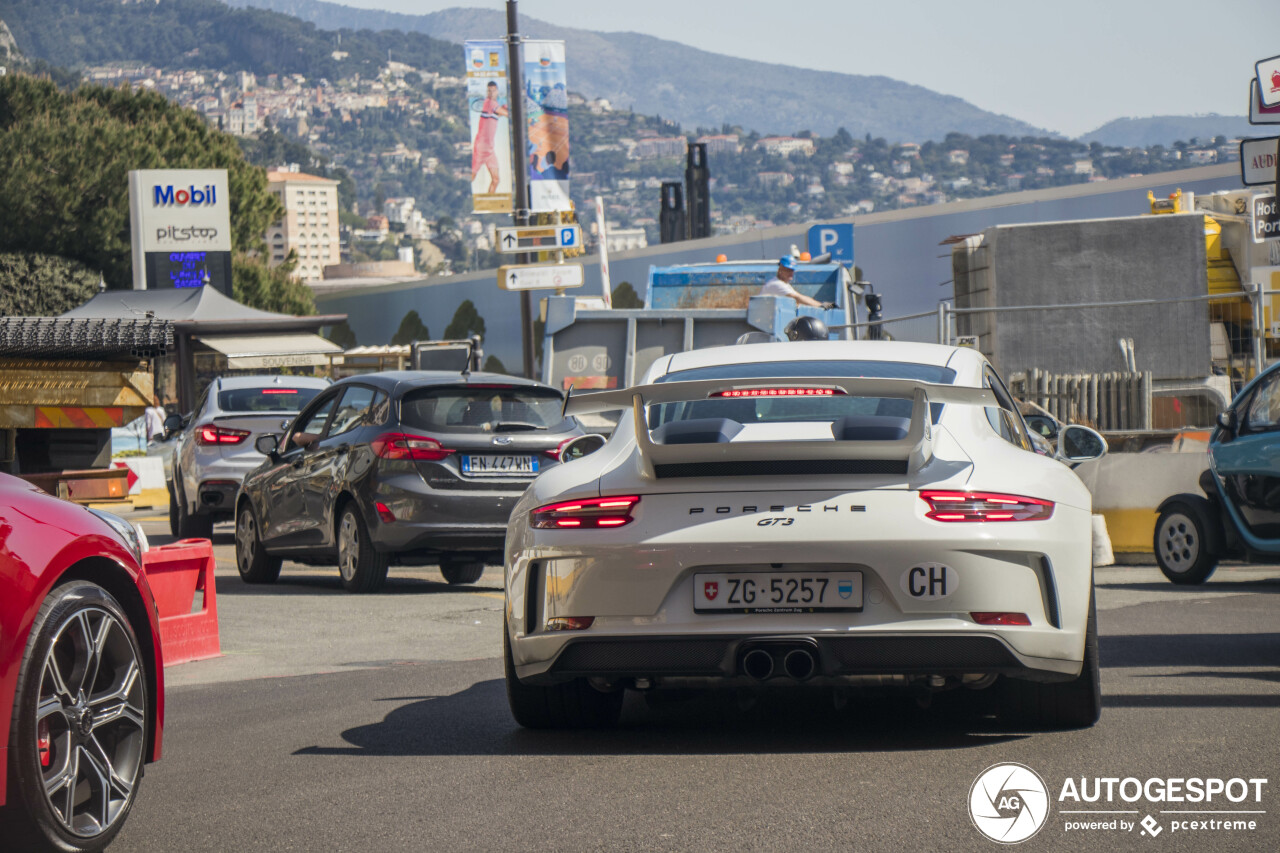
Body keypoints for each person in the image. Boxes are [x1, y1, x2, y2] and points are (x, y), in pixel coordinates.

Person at [471, 81, 508, 193]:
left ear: (497, 91)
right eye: (489, 91)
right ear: (487, 92)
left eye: (493, 91)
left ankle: (490, 200)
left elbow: (500, 113)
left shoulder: (494, 106)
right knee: (472, 175)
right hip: (482, 147)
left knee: (496, 180)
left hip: (490, 149)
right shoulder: (489, 103)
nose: (491, 93)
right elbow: (507, 114)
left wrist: (504, 108)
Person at [760, 256, 834, 309]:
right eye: (788, 270)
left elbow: (798, 301)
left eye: (792, 270)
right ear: (780, 269)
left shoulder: (784, 284)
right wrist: (820, 305)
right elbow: (797, 298)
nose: (791, 272)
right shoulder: (776, 284)